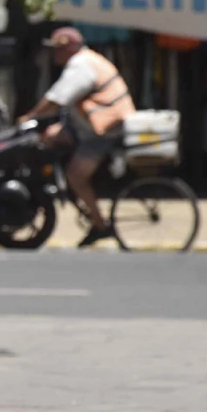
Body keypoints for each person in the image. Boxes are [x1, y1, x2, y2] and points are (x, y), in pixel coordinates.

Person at [18, 26, 135, 247]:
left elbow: (57, 99)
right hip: (84, 125)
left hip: (101, 130)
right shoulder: (87, 60)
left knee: (76, 176)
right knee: (47, 137)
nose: (55, 54)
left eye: (59, 49)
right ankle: (60, 190)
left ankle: (100, 225)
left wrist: (30, 116)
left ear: (71, 47)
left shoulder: (82, 65)